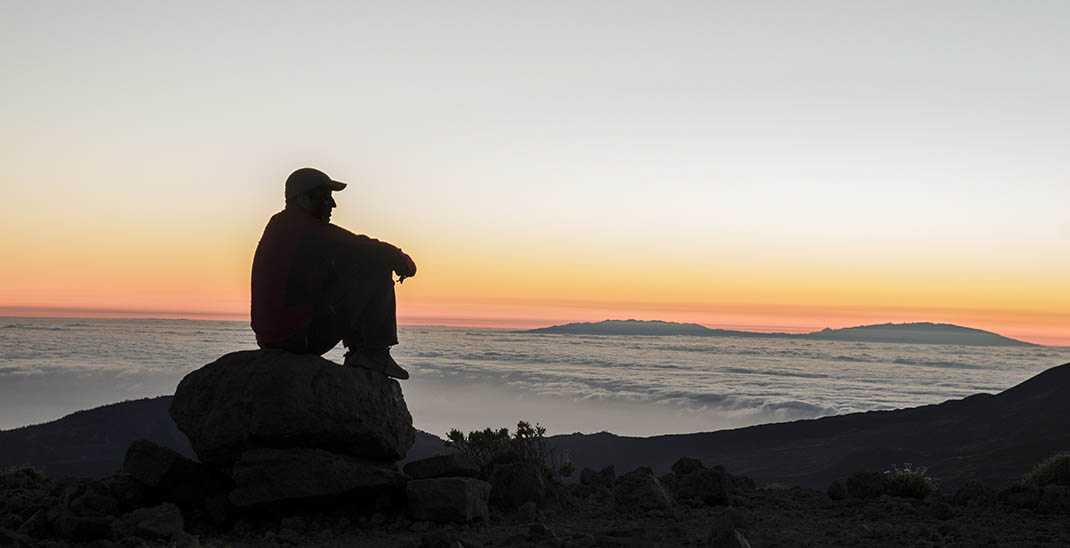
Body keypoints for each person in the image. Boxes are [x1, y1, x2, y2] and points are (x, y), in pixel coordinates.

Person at [250, 167, 417, 379]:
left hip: (274, 337)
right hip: (297, 337)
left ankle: (362, 351)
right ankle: (374, 353)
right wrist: (402, 260)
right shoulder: (304, 230)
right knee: (376, 266)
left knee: (350, 264)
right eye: (325, 197)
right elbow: (365, 247)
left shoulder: (282, 225)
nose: (332, 204)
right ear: (302, 199)